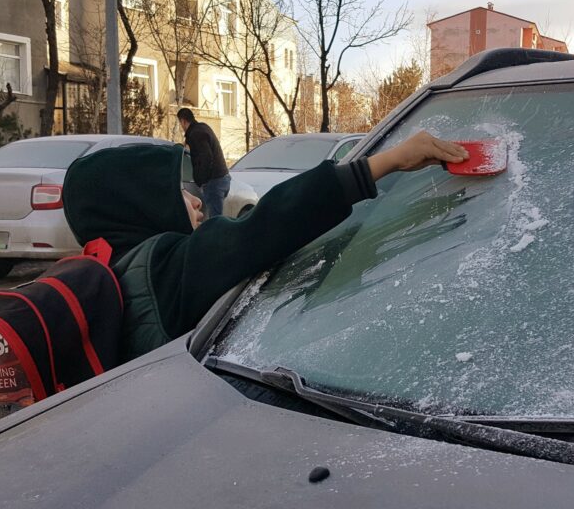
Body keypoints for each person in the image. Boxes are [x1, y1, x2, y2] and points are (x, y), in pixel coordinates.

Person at [62, 131, 468, 364]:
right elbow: (273, 222)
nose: (198, 199)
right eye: (180, 191)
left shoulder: (104, 272)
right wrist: (389, 161)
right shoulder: (165, 270)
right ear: (140, 203)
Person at [177, 107, 230, 219]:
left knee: (214, 222)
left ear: (183, 121)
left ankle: (215, 237)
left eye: (180, 123)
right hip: (222, 177)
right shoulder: (202, 128)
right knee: (215, 218)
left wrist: (201, 181)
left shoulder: (196, 134)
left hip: (214, 181)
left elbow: (206, 157)